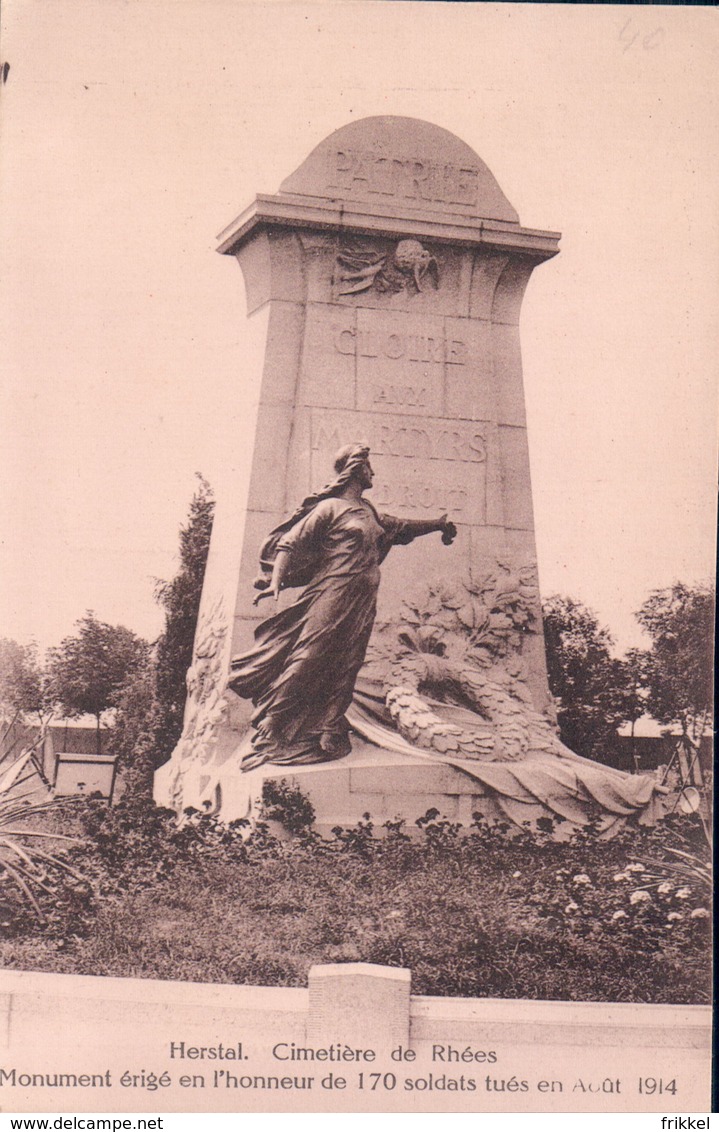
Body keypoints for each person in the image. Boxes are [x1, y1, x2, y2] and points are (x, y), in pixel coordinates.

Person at [229, 442, 456, 769]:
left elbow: (401, 528)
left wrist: (437, 524)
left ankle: (328, 729)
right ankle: (272, 725)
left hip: (363, 600)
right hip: (332, 593)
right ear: (355, 469)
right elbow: (288, 544)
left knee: (349, 662)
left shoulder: (369, 511)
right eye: (368, 467)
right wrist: (276, 581)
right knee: (310, 654)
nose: (373, 472)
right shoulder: (330, 508)